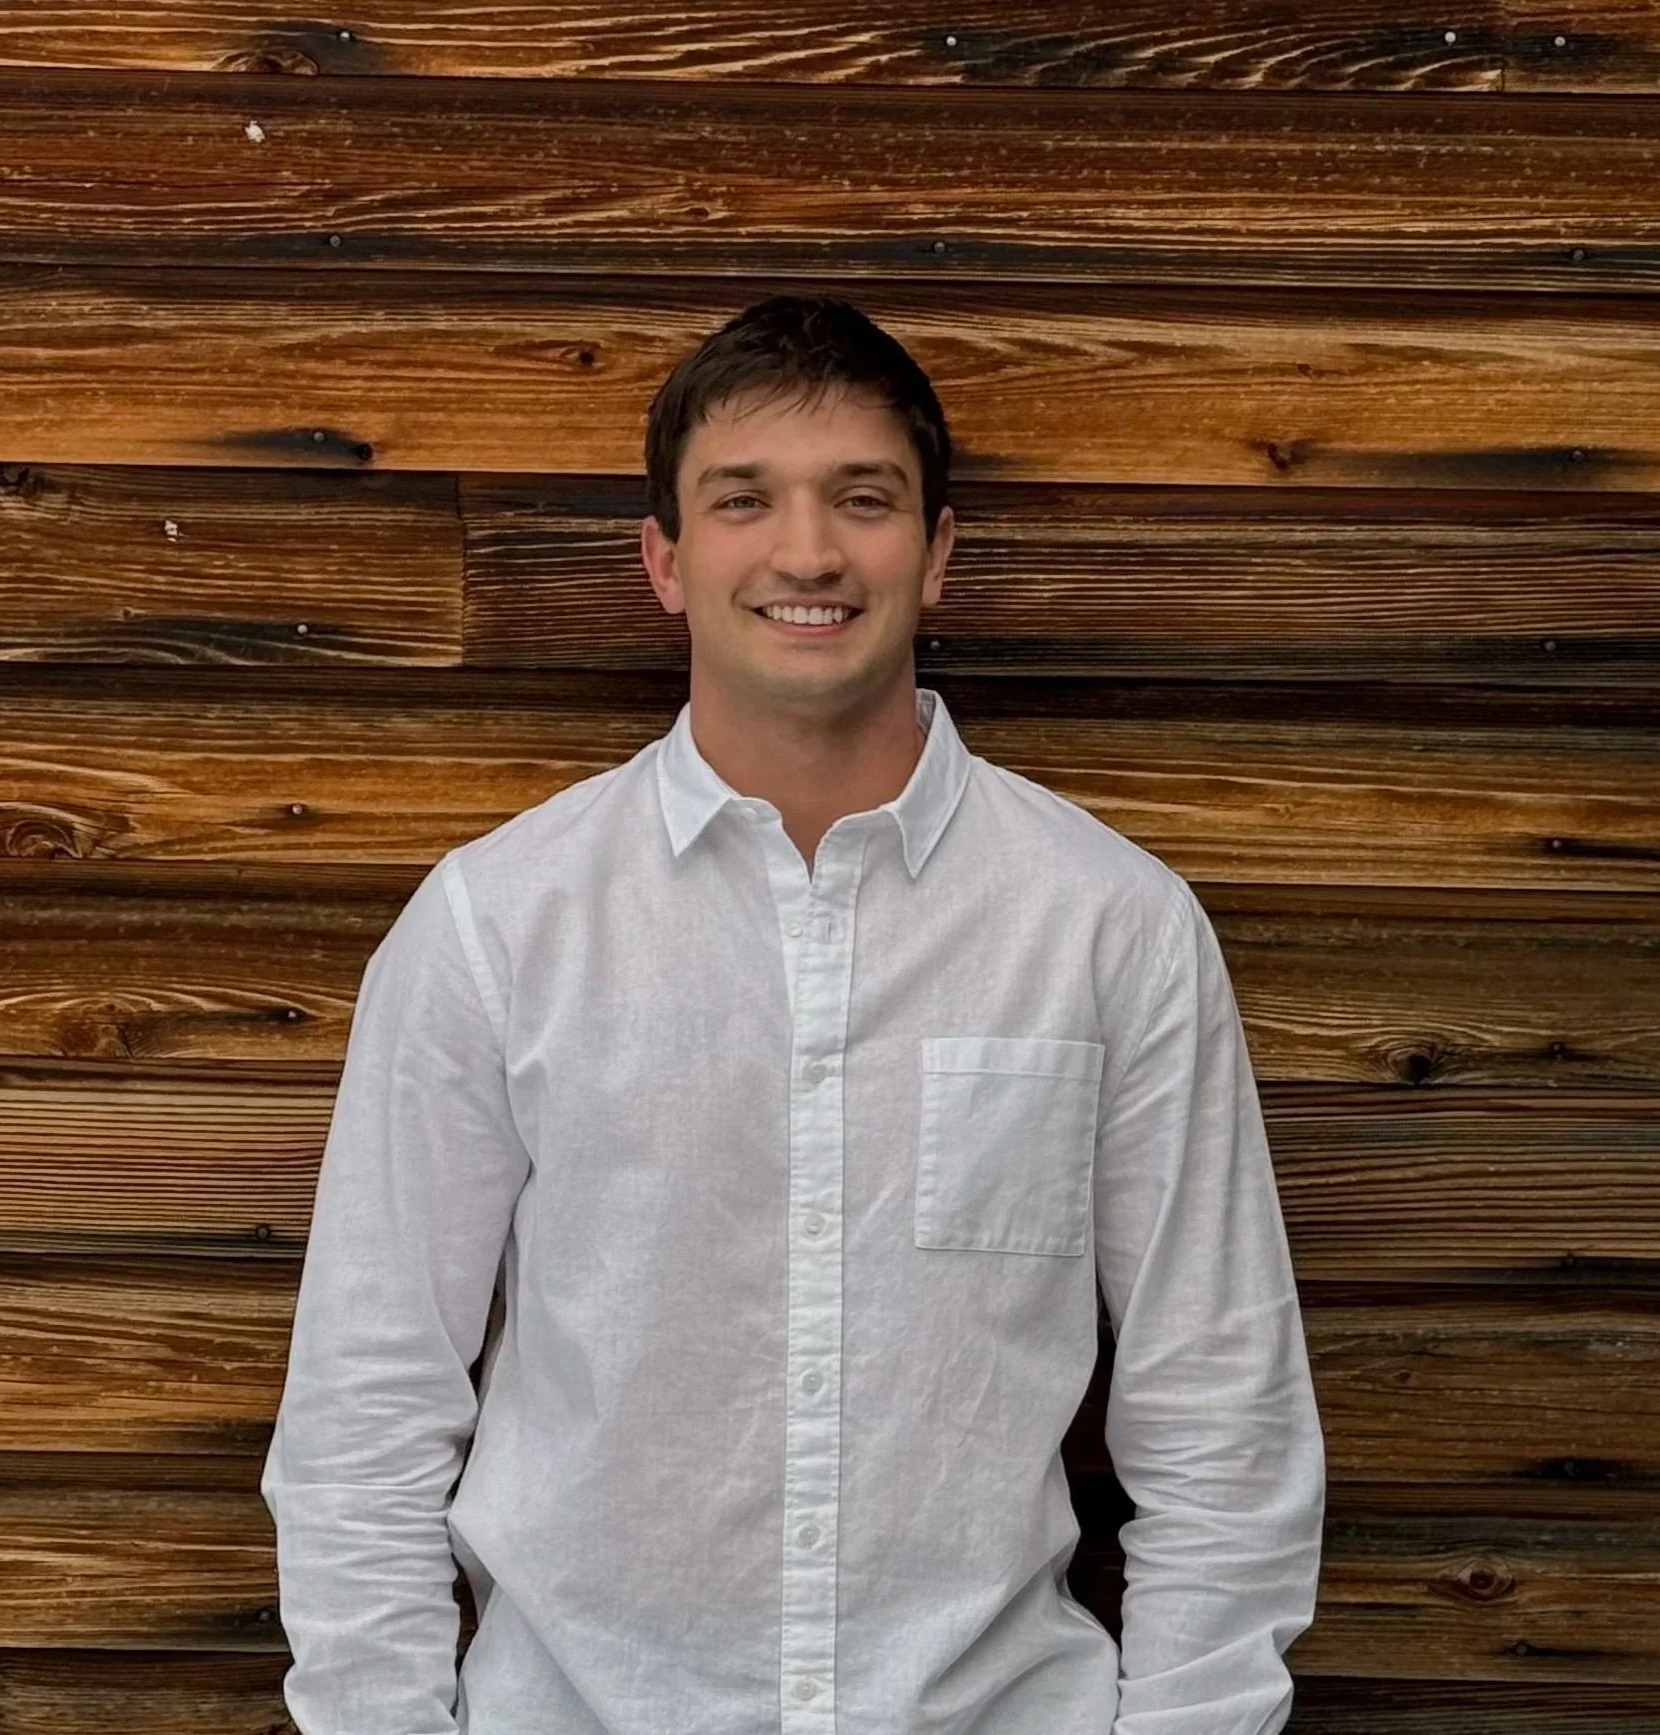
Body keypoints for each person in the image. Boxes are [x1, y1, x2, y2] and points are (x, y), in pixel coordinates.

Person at [260, 293, 1325, 1735]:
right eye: (743, 499)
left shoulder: (1109, 928)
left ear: (937, 553)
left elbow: (1223, 1421)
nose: (808, 552)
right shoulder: (496, 926)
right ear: (665, 558)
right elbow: (366, 1413)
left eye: (863, 499)